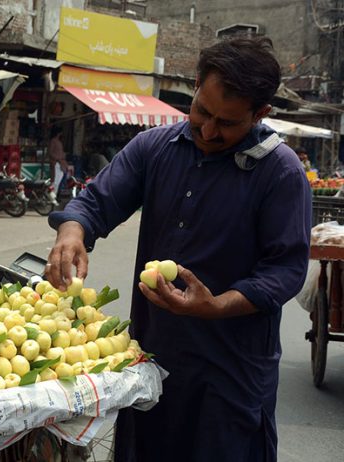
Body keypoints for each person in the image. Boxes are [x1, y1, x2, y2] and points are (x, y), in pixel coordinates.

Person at [46, 37, 311, 462]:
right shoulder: (155, 147)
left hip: (230, 377)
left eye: (227, 124)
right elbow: (95, 202)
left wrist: (218, 304)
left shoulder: (281, 173)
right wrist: (72, 233)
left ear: (261, 114)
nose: (208, 131)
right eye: (202, 111)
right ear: (195, 88)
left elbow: (285, 270)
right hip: (151, 362)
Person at [48, 127, 73, 194]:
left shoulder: (58, 141)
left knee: (58, 180)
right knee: (55, 181)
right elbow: (50, 152)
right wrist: (58, 158)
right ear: (58, 133)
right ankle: (51, 196)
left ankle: (54, 195)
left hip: (60, 163)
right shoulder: (53, 141)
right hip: (56, 163)